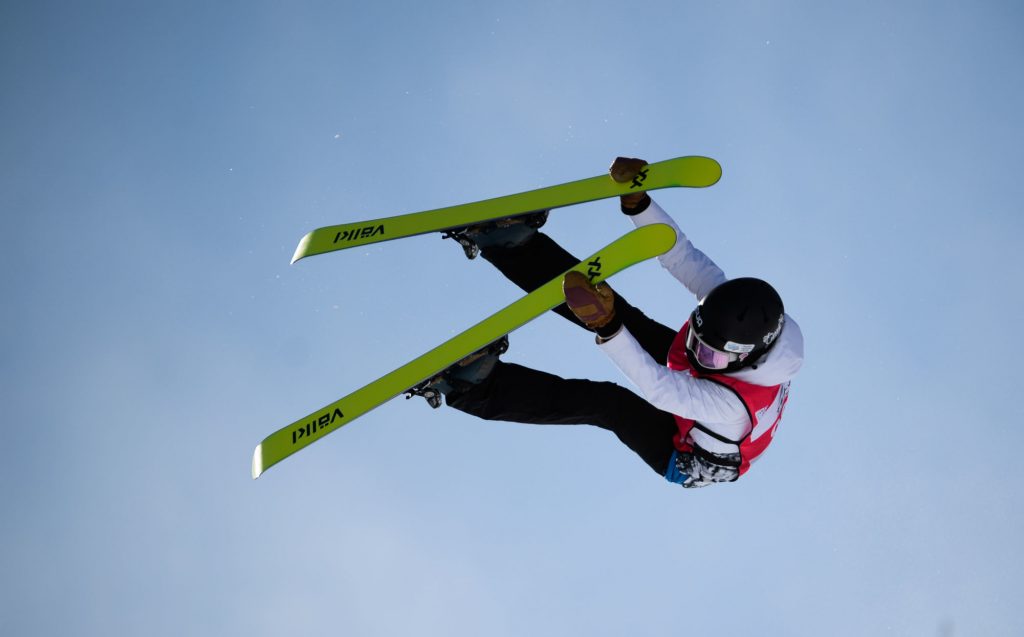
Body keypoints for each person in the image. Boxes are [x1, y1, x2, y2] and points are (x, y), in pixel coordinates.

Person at [408, 157, 804, 488]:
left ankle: (471, 388)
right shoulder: (732, 306)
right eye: (698, 342)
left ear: (746, 358)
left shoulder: (730, 405)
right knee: (624, 316)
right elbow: (680, 256)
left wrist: (608, 328)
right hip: (706, 395)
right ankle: (513, 248)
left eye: (710, 356)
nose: (698, 355)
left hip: (685, 451)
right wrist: (639, 203)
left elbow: (661, 392)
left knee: (606, 403)